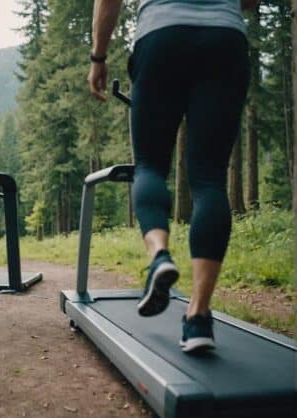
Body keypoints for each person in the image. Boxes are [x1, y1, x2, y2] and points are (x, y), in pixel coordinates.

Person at [87, 0, 258, 353]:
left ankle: (160, 256)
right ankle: (198, 317)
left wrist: (99, 57)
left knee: (150, 165)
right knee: (209, 178)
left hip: (162, 36)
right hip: (225, 41)